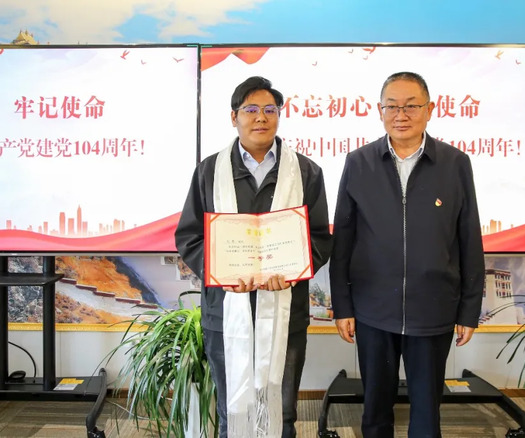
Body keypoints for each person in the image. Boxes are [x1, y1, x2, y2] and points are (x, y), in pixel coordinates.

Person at [329, 72, 485, 438]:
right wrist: (343, 306)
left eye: (412, 106)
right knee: (375, 409)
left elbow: (469, 239)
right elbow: (343, 241)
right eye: (392, 106)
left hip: (433, 309)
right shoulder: (359, 162)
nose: (401, 115)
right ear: (379, 110)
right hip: (373, 310)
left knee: (427, 412)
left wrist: (469, 310)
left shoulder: (455, 163)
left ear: (430, 109)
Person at [175, 76, 332, 438]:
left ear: (279, 115)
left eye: (269, 110)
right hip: (225, 312)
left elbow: (320, 238)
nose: (261, 117)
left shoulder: (306, 172)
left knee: (282, 412)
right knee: (233, 412)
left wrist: (292, 271)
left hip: (285, 312)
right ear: (234, 117)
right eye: (250, 110)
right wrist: (221, 271)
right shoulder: (209, 171)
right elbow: (189, 236)